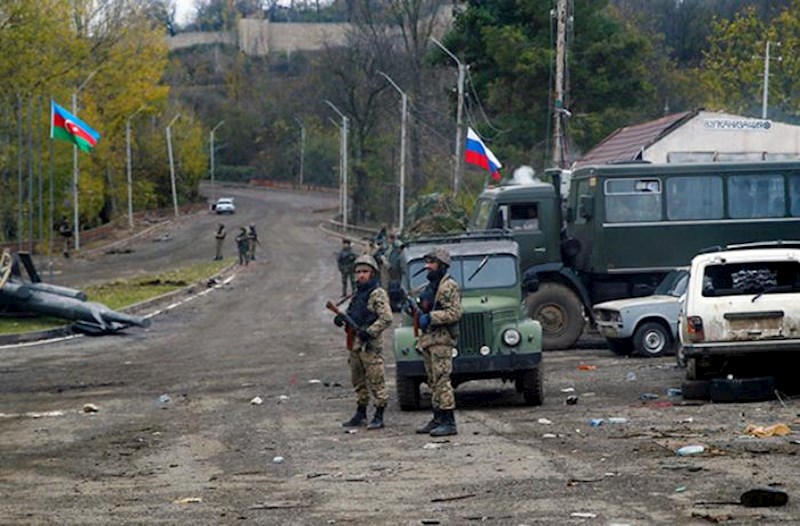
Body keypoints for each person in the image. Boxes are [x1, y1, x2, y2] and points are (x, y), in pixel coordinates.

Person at [334, 254, 393, 430]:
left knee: (376, 381)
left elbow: (386, 318)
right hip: (355, 344)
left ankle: (379, 414)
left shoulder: (377, 293)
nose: (361, 275)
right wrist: (341, 319)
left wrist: (370, 332)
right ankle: (361, 413)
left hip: (370, 346)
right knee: (358, 380)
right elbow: (353, 314)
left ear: (372, 274)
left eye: (365, 272)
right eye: (358, 272)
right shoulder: (358, 293)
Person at [415, 247, 462, 437]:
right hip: (429, 340)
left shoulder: (448, 286)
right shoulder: (432, 286)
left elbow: (455, 313)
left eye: (432, 263)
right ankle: (437, 418)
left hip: (442, 340)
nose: (427, 266)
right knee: (433, 381)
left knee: (442, 380)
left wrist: (431, 317)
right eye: (426, 262)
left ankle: (449, 422)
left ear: (442, 265)